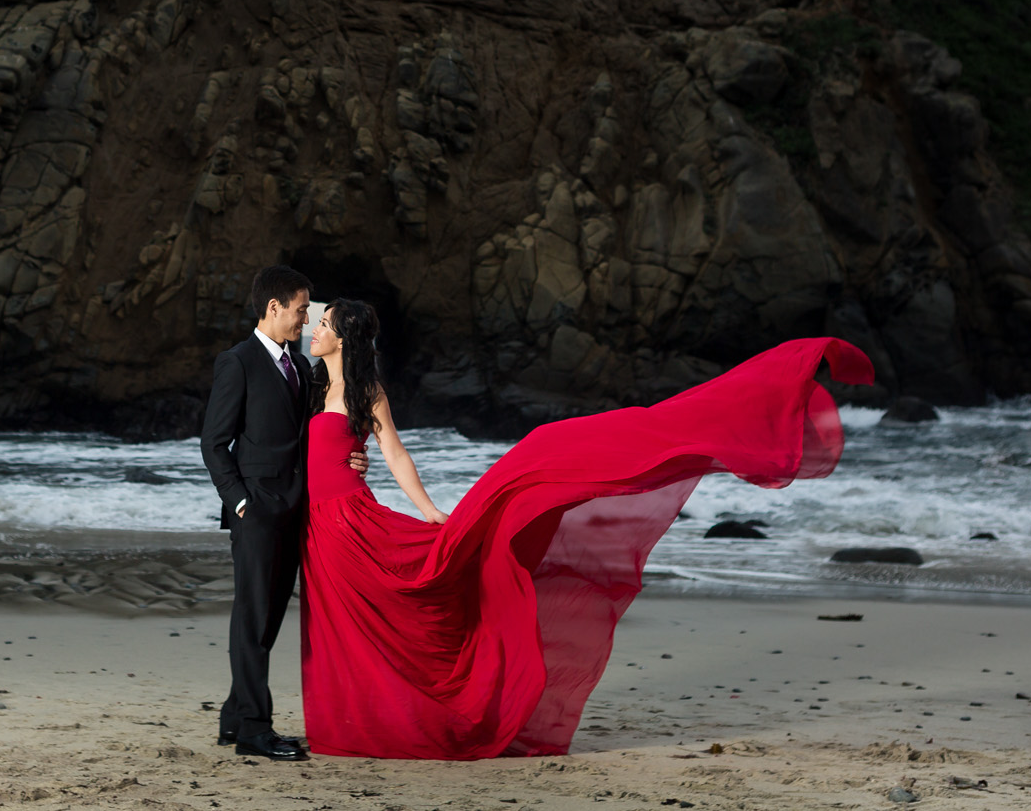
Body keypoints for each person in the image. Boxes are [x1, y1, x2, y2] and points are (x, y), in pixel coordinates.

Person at [297, 298, 872, 760]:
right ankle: (353, 723)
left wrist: (428, 511)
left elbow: (394, 454)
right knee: (342, 625)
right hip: (318, 523)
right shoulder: (309, 385)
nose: (313, 330)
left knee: (386, 612)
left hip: (349, 520)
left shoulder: (366, 393)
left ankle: (388, 725)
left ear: (343, 336)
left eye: (322, 323)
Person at [198, 264, 363, 760]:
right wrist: (241, 502)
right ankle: (253, 729)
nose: (306, 320)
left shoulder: (300, 366)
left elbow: (317, 431)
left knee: (267, 620)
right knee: (252, 620)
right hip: (257, 513)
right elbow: (213, 442)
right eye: (300, 310)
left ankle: (234, 715)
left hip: (297, 512)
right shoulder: (238, 362)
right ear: (274, 308)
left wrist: (352, 454)